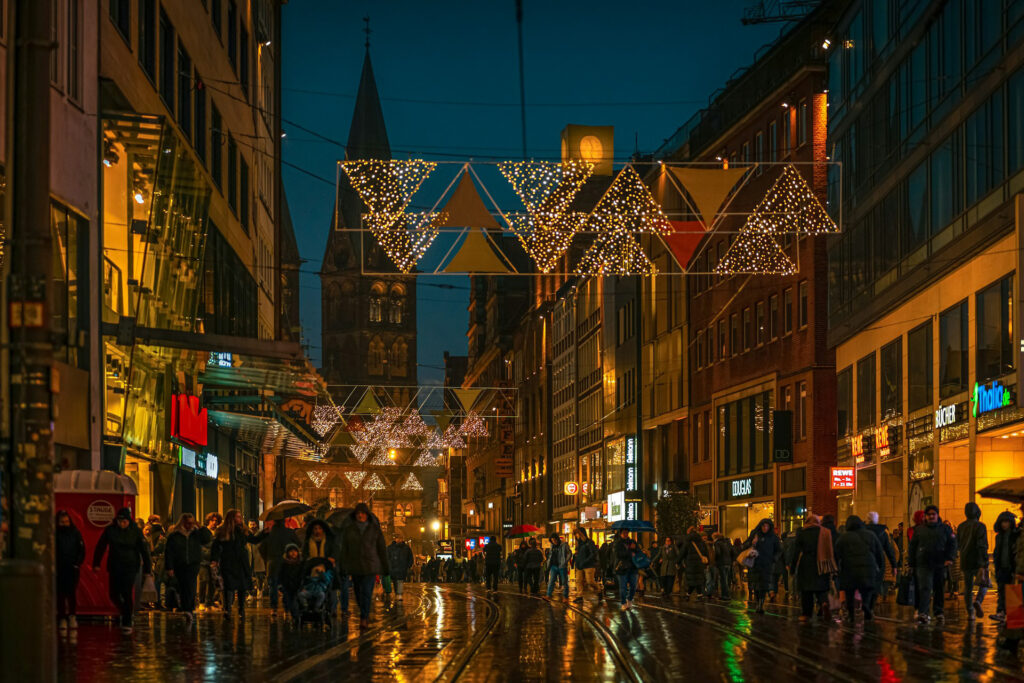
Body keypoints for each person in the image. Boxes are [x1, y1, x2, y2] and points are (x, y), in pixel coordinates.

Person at [92, 507, 152, 634]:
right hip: (115, 565)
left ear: (129, 521)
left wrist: (148, 569)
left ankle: (127, 620)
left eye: (125, 521)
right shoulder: (111, 530)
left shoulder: (135, 531)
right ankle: (125, 612)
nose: (122, 524)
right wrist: (96, 563)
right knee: (113, 594)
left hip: (130, 566)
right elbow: (101, 546)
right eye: (120, 521)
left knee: (126, 592)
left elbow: (144, 550)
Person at [338, 502, 389, 629]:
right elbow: (345, 549)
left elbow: (381, 548)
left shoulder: (374, 529)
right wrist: (343, 565)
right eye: (358, 513)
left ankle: (364, 617)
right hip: (355, 566)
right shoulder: (349, 530)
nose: (360, 515)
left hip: (370, 566)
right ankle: (363, 612)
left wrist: (386, 566)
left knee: (366, 592)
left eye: (363, 513)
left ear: (367, 515)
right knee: (358, 593)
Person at [164, 512, 214, 627]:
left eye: (192, 523)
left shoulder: (196, 533)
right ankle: (186, 607)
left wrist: (201, 527)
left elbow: (207, 538)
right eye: (187, 523)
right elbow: (169, 552)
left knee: (190, 586)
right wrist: (169, 567)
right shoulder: (175, 535)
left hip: (193, 564)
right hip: (179, 564)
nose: (190, 525)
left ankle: (189, 609)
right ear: (182, 523)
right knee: (182, 586)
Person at [909, 504, 956, 624]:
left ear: (937, 515)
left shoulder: (945, 529)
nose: (931, 516)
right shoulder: (919, 530)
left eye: (933, 514)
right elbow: (913, 547)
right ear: (925, 516)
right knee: (925, 588)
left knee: (938, 588)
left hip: (940, 563)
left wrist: (949, 558)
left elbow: (952, 544)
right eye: (929, 514)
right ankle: (923, 612)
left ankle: (938, 612)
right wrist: (912, 563)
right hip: (923, 564)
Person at [835, 515, 883, 622]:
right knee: (866, 590)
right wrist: (879, 566)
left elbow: (836, 554)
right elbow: (879, 552)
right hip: (868, 568)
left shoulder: (844, 537)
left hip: (849, 569)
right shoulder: (870, 535)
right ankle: (865, 605)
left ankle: (851, 615)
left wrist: (838, 568)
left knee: (850, 592)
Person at [211, 509, 258, 619]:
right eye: (237, 517)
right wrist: (214, 559)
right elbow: (216, 546)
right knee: (228, 586)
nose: (240, 519)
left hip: (241, 562)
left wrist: (265, 533)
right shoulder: (222, 531)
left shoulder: (243, 531)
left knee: (242, 587)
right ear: (231, 518)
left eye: (240, 516)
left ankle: (241, 610)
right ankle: (227, 609)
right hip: (228, 562)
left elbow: (254, 540)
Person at [790, 513, 835, 622]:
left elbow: (796, 551)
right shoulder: (825, 532)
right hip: (822, 562)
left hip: (806, 563)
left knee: (806, 591)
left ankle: (806, 614)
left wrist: (792, 567)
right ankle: (824, 603)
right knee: (822, 588)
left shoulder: (802, 533)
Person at [251, 519, 298, 618]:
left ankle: (274, 608)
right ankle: (287, 608)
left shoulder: (269, 534)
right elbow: (298, 545)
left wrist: (267, 559)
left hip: (272, 563)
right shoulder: (290, 532)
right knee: (286, 586)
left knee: (273, 586)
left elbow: (261, 547)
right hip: (286, 562)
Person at [956, 502, 989, 621]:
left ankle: (970, 613)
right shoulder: (980, 526)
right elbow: (982, 545)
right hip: (978, 560)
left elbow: (958, 544)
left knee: (968, 588)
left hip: (965, 560)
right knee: (984, 583)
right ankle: (979, 601)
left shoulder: (961, 526)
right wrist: (984, 562)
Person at [56, 510, 85, 635]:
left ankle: (71, 616)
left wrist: (77, 563)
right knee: (61, 594)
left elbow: (81, 550)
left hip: (70, 567)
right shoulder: (56, 533)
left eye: (66, 521)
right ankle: (63, 617)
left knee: (71, 593)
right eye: (62, 522)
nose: (64, 524)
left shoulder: (75, 533)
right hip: (60, 567)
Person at [743, 519, 781, 614]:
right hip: (755, 564)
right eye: (764, 526)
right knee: (756, 585)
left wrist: (774, 559)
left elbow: (779, 550)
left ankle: (761, 603)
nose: (765, 528)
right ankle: (757, 602)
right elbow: (744, 545)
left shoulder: (773, 537)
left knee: (764, 585)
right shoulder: (755, 534)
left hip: (767, 565)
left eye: (767, 526)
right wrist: (752, 542)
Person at [864, 512, 898, 608]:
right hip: (880, 561)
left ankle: (866, 604)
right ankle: (872, 605)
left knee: (866, 583)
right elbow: (889, 550)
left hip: (867, 560)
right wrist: (894, 565)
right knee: (877, 583)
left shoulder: (863, 531)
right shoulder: (883, 532)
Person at [990, 511, 1019, 622]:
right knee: (1002, 591)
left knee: (1012, 593)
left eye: (1006, 521)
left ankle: (1011, 616)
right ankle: (1001, 612)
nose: (1004, 524)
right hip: (1002, 567)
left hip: (1012, 568)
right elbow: (997, 552)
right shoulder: (999, 537)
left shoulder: (1015, 535)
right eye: (1002, 522)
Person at [198, 512, 222, 611]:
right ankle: (201, 601)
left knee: (212, 582)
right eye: (213, 520)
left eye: (216, 521)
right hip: (203, 560)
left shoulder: (218, 532)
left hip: (213, 561)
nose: (214, 523)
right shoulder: (204, 531)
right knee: (204, 580)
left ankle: (209, 602)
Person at [613, 529, 639, 610]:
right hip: (622, 568)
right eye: (624, 532)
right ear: (621, 533)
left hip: (632, 567)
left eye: (627, 532)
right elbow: (618, 554)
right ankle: (623, 602)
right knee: (623, 587)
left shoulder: (632, 541)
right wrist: (630, 551)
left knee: (634, 586)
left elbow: (637, 551)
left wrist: (634, 549)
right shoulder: (617, 543)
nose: (625, 534)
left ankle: (630, 599)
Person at [278, 544, 305, 622]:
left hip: (298, 586)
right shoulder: (284, 564)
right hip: (287, 586)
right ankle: (291, 613)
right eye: (291, 551)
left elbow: (303, 574)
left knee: (296, 601)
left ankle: (296, 616)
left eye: (295, 551)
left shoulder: (301, 563)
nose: (293, 553)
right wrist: (280, 585)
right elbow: (281, 575)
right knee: (288, 600)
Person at [571, 528, 599, 603]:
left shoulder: (589, 542)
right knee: (578, 581)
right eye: (575, 534)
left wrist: (585, 561)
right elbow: (577, 555)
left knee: (590, 581)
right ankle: (579, 596)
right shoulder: (578, 544)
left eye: (577, 534)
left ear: (581, 534)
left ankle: (598, 590)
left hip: (589, 565)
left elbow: (593, 553)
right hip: (579, 565)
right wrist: (576, 562)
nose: (576, 536)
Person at [144, 519, 166, 609]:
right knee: (157, 582)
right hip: (153, 562)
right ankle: (155, 601)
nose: (148, 531)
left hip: (152, 561)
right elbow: (153, 551)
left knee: (155, 582)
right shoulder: (158, 538)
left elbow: (152, 551)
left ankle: (153, 601)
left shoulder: (151, 538)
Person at [386, 535, 415, 601]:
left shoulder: (406, 548)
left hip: (402, 568)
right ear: (395, 539)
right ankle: (397, 593)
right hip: (393, 568)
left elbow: (410, 558)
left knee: (400, 581)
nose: (399, 540)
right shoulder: (390, 548)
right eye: (398, 538)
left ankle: (399, 594)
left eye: (400, 538)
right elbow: (387, 558)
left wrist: (408, 566)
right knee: (395, 581)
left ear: (402, 539)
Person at [681, 531, 708, 599]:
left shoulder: (688, 544)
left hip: (691, 566)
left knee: (693, 581)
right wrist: (707, 564)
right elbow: (706, 554)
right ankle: (698, 594)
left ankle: (689, 594)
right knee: (697, 580)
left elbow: (682, 554)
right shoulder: (702, 544)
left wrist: (678, 562)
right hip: (699, 565)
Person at [546, 534, 571, 600]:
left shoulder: (564, 545)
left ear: (557, 538)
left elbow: (569, 553)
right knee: (551, 581)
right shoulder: (552, 546)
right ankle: (548, 595)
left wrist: (565, 561)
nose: (554, 541)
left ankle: (565, 597)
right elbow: (550, 555)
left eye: (554, 540)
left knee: (564, 582)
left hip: (561, 566)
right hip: (553, 566)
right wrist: (549, 563)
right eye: (552, 540)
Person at [246, 520, 267, 603]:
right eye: (250, 524)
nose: (252, 526)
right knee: (249, 576)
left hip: (259, 557)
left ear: (256, 525)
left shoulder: (259, 534)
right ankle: (250, 593)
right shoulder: (247, 534)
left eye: (253, 524)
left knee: (260, 576)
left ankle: (260, 590)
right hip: (249, 557)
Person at [712, 533, 734, 600]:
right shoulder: (728, 542)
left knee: (723, 580)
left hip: (722, 563)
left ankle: (725, 595)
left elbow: (717, 553)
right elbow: (732, 552)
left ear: (715, 537)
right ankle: (727, 594)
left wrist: (715, 560)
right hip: (728, 563)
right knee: (727, 580)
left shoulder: (717, 543)